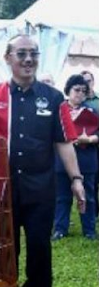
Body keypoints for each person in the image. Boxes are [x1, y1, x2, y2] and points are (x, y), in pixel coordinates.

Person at [0, 34, 85, 287]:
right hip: (3, 190)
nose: (29, 59)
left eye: (34, 54)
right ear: (7, 58)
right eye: (22, 53)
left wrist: (76, 179)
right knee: (5, 252)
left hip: (41, 189)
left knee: (40, 248)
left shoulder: (53, 97)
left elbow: (63, 141)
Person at [52, 74, 98, 241]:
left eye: (84, 91)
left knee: (89, 196)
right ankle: (60, 228)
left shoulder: (93, 111)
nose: (80, 93)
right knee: (62, 196)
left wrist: (90, 139)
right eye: (76, 89)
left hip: (86, 157)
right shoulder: (59, 110)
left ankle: (89, 229)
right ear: (68, 90)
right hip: (62, 160)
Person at [81, 70, 99, 218]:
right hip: (86, 147)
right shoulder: (78, 101)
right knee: (90, 182)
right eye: (84, 80)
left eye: (89, 80)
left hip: (95, 143)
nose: (87, 83)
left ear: (93, 81)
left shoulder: (98, 101)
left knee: (95, 181)